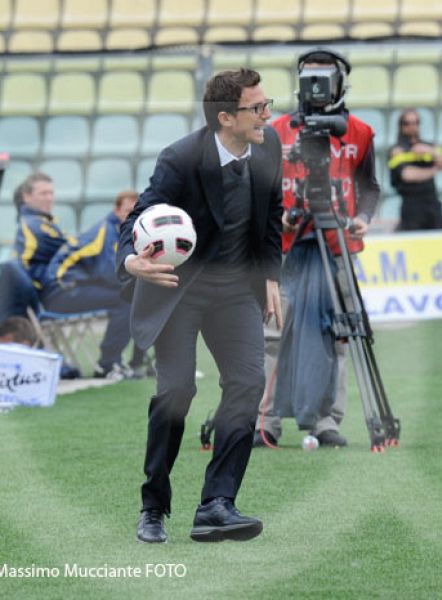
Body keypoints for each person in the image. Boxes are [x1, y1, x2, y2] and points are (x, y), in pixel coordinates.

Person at [116, 68, 283, 544]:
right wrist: (132, 261)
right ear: (226, 117)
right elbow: (138, 217)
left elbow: (272, 215)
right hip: (178, 289)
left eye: (267, 103)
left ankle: (216, 504)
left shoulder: (268, 147)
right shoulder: (182, 158)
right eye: (258, 107)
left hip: (235, 291)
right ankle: (153, 506)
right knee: (176, 392)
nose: (268, 114)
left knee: (248, 383)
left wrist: (270, 273)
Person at [253, 47, 380, 449]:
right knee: (274, 332)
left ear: (341, 83)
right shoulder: (273, 131)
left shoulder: (359, 132)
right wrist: (280, 217)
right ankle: (266, 421)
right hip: (286, 244)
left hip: (338, 241)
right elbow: (258, 189)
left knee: (338, 333)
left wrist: (365, 218)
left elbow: (370, 187)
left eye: (326, 77)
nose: (318, 85)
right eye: (311, 76)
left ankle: (326, 420)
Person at [40, 190, 146, 380]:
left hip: (73, 287)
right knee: (126, 300)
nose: (132, 215)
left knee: (130, 296)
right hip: (60, 291)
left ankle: (116, 361)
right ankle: (107, 365)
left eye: (137, 211)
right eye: (128, 210)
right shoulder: (106, 232)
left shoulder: (119, 230)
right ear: (116, 210)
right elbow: (110, 274)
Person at [388, 108, 442, 231]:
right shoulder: (397, 150)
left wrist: (431, 152)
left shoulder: (429, 146)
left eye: (416, 122)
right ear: (401, 126)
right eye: (407, 123)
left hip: (432, 202)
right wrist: (433, 171)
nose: (412, 126)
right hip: (411, 204)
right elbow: (408, 175)